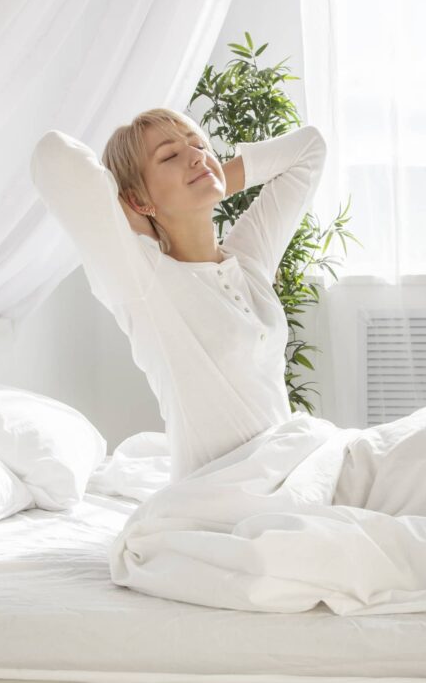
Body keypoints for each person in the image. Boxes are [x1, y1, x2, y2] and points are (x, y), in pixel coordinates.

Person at [30, 108, 327, 483]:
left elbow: (310, 149)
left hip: (289, 471)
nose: (196, 155)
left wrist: (211, 176)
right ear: (137, 200)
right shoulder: (143, 279)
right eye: (170, 155)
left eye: (200, 145)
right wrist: (140, 213)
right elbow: (52, 155)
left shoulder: (248, 261)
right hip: (222, 493)